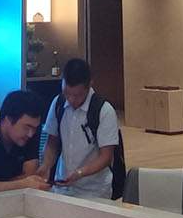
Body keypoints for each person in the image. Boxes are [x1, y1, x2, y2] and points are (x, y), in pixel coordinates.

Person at [38, 57, 121, 199]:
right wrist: (46, 165)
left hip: (95, 190)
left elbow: (106, 157)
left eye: (77, 95)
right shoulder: (58, 103)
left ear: (89, 85)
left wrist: (80, 173)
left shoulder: (104, 111)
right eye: (67, 93)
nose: (71, 99)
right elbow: (52, 142)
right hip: (62, 186)